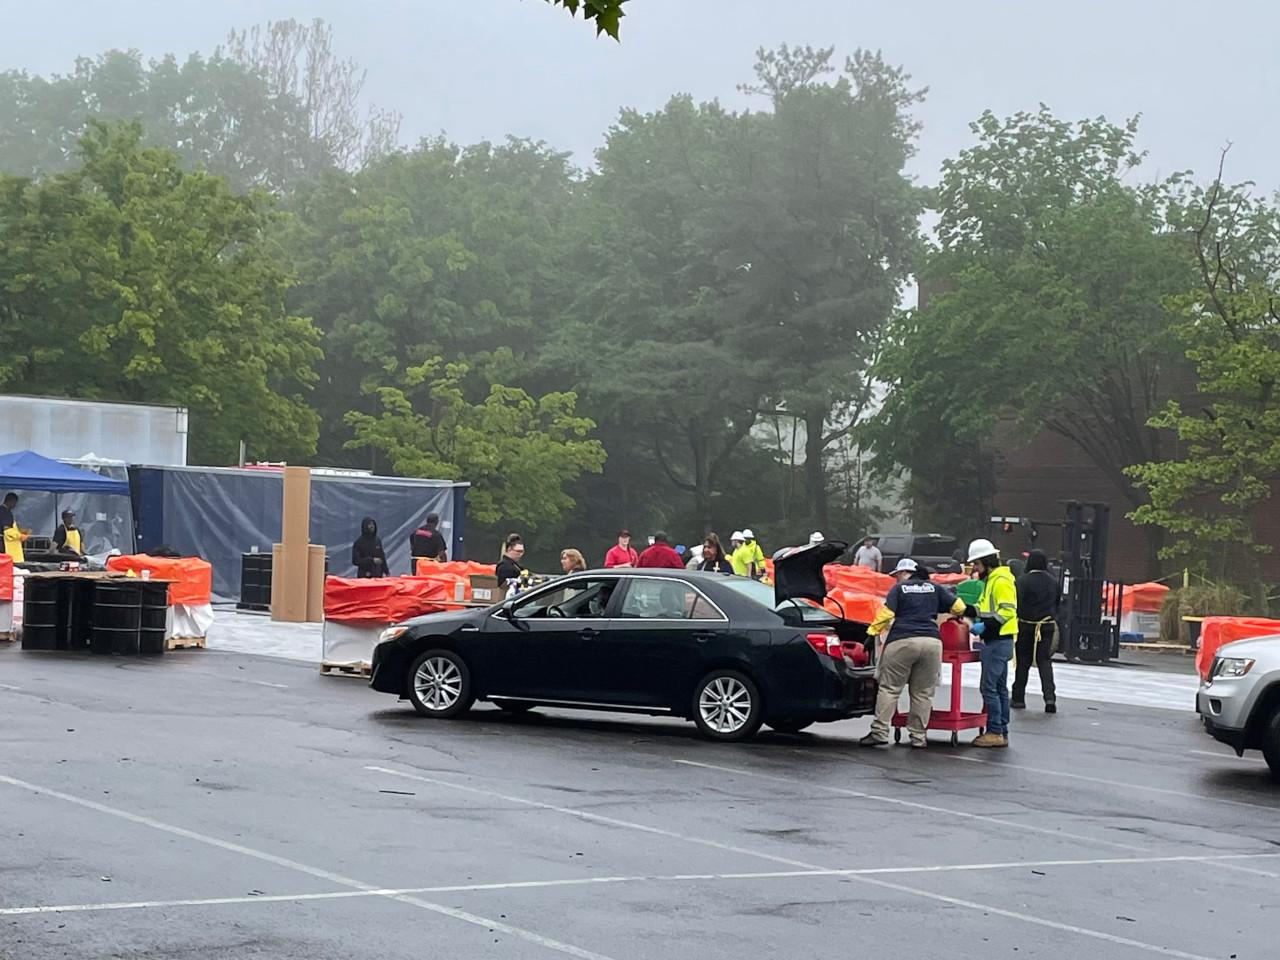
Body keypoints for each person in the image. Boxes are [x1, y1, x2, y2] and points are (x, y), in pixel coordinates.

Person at [860, 559, 967, 749]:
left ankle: (879, 732)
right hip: (932, 643)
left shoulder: (900, 589)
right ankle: (918, 737)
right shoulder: (935, 588)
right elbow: (959, 607)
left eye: (897, 575)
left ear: (904, 573)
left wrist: (871, 633)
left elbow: (886, 614)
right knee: (923, 693)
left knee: (890, 688)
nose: (896, 579)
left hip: (902, 640)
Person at [966, 537, 1019, 748]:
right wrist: (967, 610)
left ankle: (995, 731)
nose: (976, 569)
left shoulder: (1000, 581)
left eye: (977, 564)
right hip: (999, 640)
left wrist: (985, 627)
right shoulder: (993, 581)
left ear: (987, 562)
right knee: (999, 689)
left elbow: (1007, 611)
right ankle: (1001, 731)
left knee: (989, 688)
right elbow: (983, 608)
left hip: (998, 641)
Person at [1013, 549, 1058, 714]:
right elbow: (1058, 604)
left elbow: (1018, 604)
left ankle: (1018, 697)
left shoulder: (1022, 581)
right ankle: (1050, 697)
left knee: (1023, 661)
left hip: (1026, 625)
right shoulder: (1053, 582)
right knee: (1044, 662)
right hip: (1046, 626)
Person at [0, 492, 24, 563]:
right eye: (15, 503)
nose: (15, 505)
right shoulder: (5, 512)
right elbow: (6, 529)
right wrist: (20, 536)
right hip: (3, 544)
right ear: (11, 501)